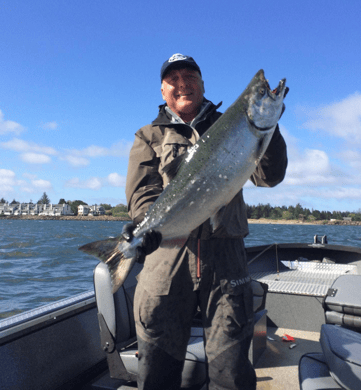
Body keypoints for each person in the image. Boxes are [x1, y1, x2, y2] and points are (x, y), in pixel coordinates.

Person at [125, 53, 288, 390]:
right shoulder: (148, 136)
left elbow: (269, 176)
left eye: (190, 77)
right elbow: (142, 192)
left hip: (226, 260)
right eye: (174, 79)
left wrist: (271, 128)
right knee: (157, 370)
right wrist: (145, 223)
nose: (182, 84)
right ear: (162, 90)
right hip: (165, 262)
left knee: (231, 372)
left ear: (202, 84)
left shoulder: (231, 124)